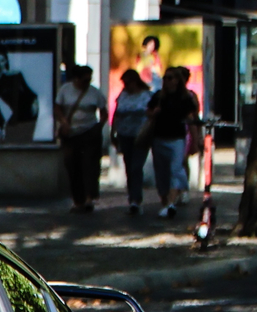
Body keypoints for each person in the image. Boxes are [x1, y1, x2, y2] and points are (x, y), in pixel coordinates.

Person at [145, 66, 200, 218]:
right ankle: (165, 201)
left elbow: (191, 119)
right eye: (165, 78)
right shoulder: (158, 96)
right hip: (159, 138)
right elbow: (148, 111)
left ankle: (171, 202)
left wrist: (195, 140)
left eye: (170, 78)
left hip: (177, 139)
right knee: (161, 172)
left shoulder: (185, 98)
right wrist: (153, 113)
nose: (167, 81)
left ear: (177, 80)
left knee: (176, 169)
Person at [55, 61, 107, 212]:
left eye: (89, 79)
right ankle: (78, 199)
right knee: (72, 166)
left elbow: (103, 111)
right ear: (76, 79)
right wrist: (64, 122)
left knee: (89, 166)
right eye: (85, 80)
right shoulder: (65, 90)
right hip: (71, 134)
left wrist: (99, 127)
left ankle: (89, 198)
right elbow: (57, 107)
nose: (87, 83)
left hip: (89, 132)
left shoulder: (94, 92)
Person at [110, 68, 154, 215]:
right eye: (124, 83)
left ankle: (137, 199)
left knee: (136, 166)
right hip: (125, 134)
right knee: (129, 166)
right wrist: (113, 132)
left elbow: (151, 116)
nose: (127, 86)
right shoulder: (123, 95)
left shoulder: (146, 96)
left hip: (141, 135)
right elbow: (116, 114)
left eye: (128, 83)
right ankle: (132, 198)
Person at [0, 52, 39, 144]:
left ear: (6, 61)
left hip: (27, 109)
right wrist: (2, 123)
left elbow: (28, 92)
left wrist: (35, 102)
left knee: (24, 139)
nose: (0, 64)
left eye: (2, 60)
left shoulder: (16, 74)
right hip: (15, 113)